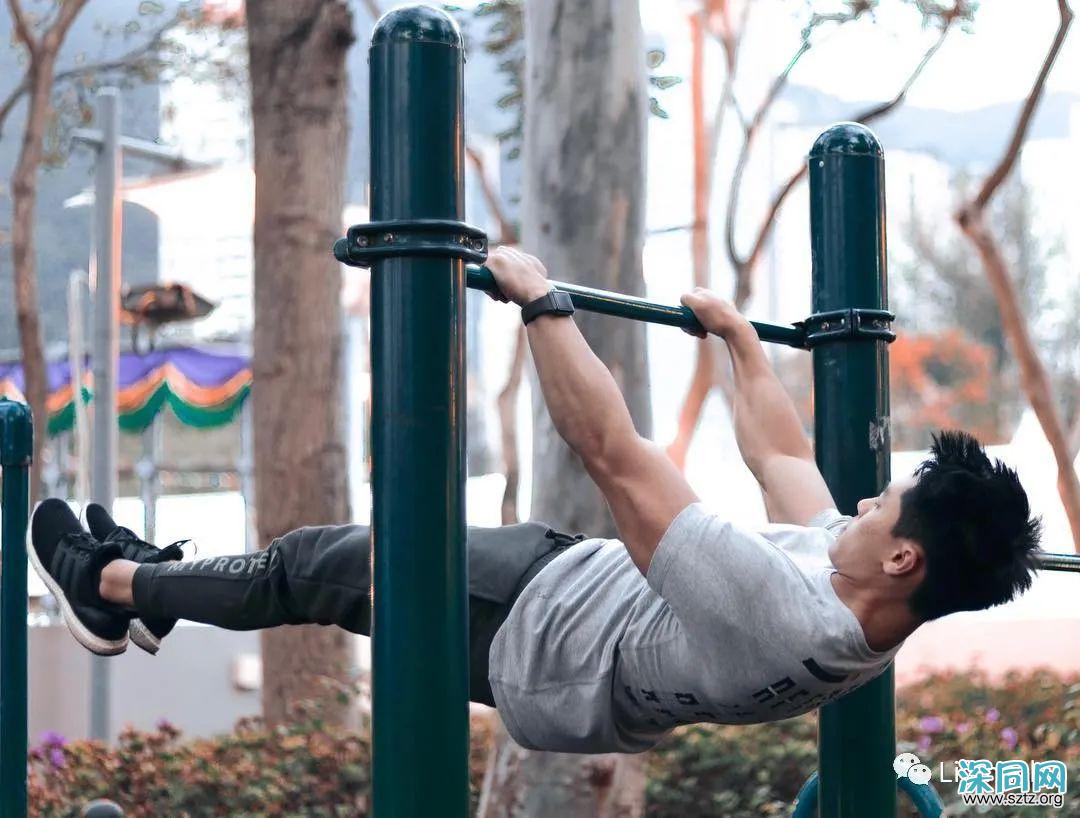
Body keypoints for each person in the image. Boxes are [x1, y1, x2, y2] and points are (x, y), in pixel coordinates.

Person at [29, 247, 1042, 754]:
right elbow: (785, 458)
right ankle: (153, 580)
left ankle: (114, 584)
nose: (863, 501)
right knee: (324, 559)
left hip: (532, 635)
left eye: (883, 504)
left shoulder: (784, 619)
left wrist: (540, 302)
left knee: (319, 564)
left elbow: (612, 451)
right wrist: (739, 342)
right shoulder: (871, 608)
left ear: (904, 555)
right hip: (568, 590)